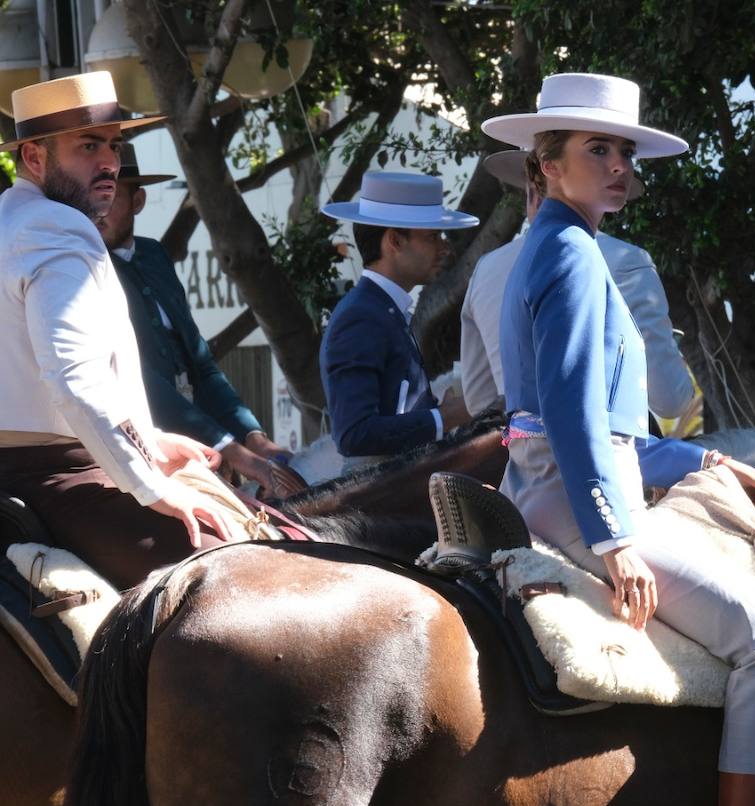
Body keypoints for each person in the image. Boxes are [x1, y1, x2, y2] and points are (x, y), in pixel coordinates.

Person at [477, 72, 755, 806]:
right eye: (595, 149)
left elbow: (615, 429)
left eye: (623, 151)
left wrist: (704, 465)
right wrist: (616, 541)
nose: (615, 165)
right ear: (548, 164)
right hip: (571, 496)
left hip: (566, 477)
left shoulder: (564, 245)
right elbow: (569, 413)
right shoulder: (568, 253)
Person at [0, 72, 235, 589]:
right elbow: (71, 376)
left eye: (113, 144)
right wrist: (149, 485)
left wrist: (146, 439)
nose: (109, 163)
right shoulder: (55, 226)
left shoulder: (12, 220)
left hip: (44, 467)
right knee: (236, 576)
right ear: (35, 158)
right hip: (54, 476)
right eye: (87, 146)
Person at [97, 142, 305, 500]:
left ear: (138, 201)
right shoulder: (85, 266)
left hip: (198, 446)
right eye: (92, 198)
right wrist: (234, 452)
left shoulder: (154, 255)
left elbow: (200, 363)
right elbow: (142, 383)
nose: (97, 210)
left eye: (111, 195)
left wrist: (253, 436)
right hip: (140, 454)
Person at [459, 149, 697, 422]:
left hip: (519, 450)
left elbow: (479, 402)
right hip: (605, 450)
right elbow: (670, 400)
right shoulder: (627, 261)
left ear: (531, 189)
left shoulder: (487, 267)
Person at [319, 171, 478, 469]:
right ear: (394, 241)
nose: (445, 247)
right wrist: (446, 417)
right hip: (375, 504)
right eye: (432, 237)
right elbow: (353, 434)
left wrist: (438, 414)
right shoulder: (361, 316)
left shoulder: (379, 309)